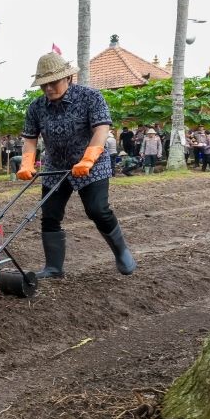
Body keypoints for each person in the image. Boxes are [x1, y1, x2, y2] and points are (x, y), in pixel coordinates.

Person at [17, 52, 136, 279]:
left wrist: (88, 159)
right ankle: (53, 267)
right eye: (43, 84)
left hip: (92, 164)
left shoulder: (90, 97)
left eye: (53, 82)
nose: (48, 88)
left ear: (68, 77)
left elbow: (101, 130)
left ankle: (121, 251)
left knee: (97, 209)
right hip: (56, 166)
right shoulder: (36, 107)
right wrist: (27, 163)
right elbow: (30, 139)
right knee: (50, 214)